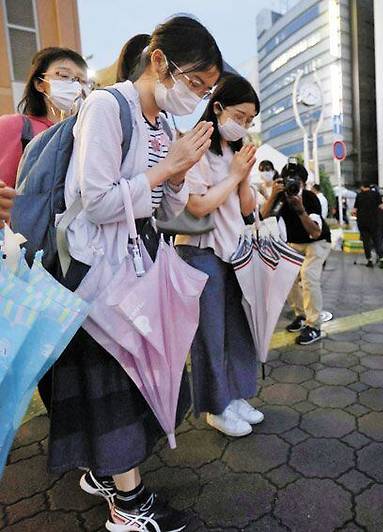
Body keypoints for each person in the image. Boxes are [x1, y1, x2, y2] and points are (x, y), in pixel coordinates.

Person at [45, 16, 222, 531]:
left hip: (135, 271)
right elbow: (96, 202)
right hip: (99, 278)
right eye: (196, 83)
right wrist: (168, 169)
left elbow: (164, 212)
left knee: (135, 381)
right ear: (160, 61)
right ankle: (129, 507)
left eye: (208, 91)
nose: (198, 97)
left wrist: (177, 172)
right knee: (115, 390)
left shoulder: (163, 124)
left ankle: (108, 478)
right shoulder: (107, 106)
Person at [176, 74, 261, 439]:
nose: (242, 125)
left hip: (232, 250)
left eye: (249, 121)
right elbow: (197, 206)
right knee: (210, 335)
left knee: (237, 331)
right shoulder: (196, 145)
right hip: (200, 251)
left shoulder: (234, 150)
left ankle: (236, 395)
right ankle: (216, 406)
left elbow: (246, 206)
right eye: (239, 116)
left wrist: (244, 174)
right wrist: (235, 174)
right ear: (218, 108)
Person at [261, 160, 332, 345]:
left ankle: (314, 325)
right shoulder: (280, 197)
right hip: (296, 243)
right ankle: (301, 315)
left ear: (303, 182)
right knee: (285, 275)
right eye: (287, 179)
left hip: (317, 241)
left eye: (295, 180)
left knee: (308, 276)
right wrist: (272, 196)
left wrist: (301, 210)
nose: (292, 183)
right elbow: (263, 217)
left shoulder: (310, 198)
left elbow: (315, 231)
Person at [0, 47, 88, 188]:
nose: (76, 85)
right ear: (39, 84)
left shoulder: (87, 133)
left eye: (83, 81)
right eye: (64, 75)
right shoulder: (15, 126)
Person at [353, 181, 383, 268]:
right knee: (377, 241)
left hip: (362, 223)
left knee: (366, 242)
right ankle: (382, 260)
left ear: (362, 187)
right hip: (375, 222)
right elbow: (381, 207)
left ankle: (369, 261)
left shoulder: (359, 195)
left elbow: (354, 210)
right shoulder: (376, 194)